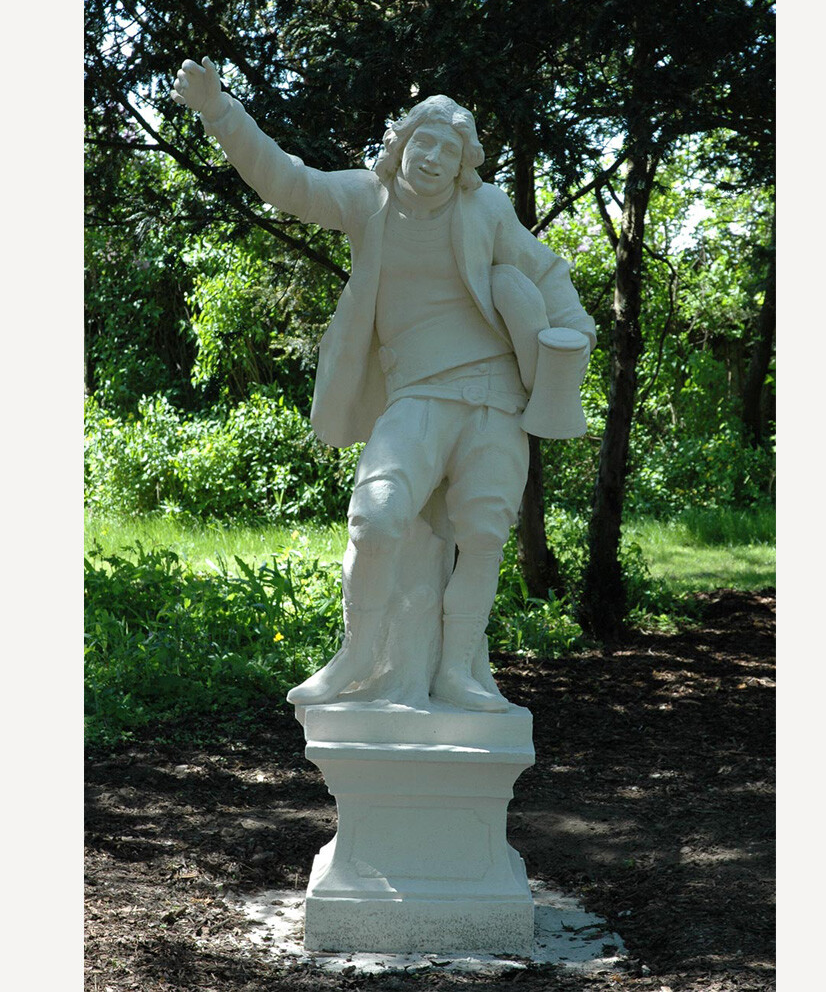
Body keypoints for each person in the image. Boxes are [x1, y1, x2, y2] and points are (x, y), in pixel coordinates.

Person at [173, 56, 595, 711]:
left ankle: (456, 669)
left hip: (494, 398)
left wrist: (575, 335)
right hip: (417, 398)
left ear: (462, 166)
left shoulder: (483, 207)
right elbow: (287, 180)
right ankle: (357, 654)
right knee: (376, 518)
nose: (430, 157)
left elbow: (545, 273)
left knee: (483, 536)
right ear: (401, 142)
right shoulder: (366, 199)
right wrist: (219, 111)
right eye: (422, 140)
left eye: (448, 151)